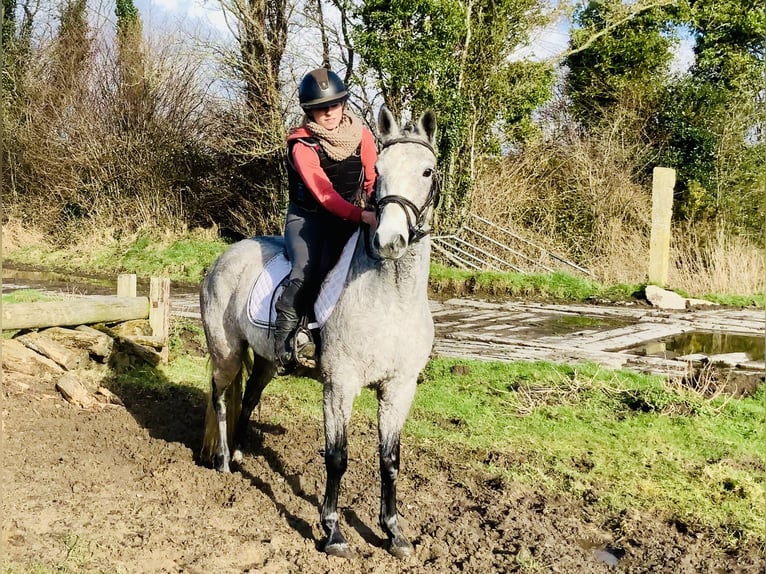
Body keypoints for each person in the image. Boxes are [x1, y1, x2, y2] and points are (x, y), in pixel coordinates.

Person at [274, 67, 378, 374]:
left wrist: (376, 207)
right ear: (310, 111)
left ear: (343, 103)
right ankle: (285, 341)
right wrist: (362, 215)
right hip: (308, 221)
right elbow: (326, 195)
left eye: (333, 105)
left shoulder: (362, 134)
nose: (328, 112)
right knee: (308, 271)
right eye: (321, 108)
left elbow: (371, 178)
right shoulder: (301, 146)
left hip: (349, 218)